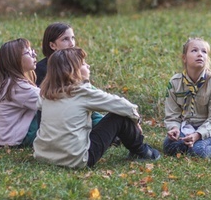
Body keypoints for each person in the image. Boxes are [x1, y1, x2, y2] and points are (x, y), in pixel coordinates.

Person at [33, 48, 161, 168]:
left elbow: (40, 108)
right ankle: (142, 151)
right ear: (72, 71)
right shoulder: (82, 92)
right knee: (118, 116)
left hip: (42, 155)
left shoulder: (45, 94)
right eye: (83, 64)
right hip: (76, 159)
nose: (88, 66)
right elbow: (125, 106)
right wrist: (136, 120)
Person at [35, 22, 104, 126]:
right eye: (65, 39)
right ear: (52, 45)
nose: (72, 43)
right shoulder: (44, 69)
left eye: (73, 38)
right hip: (61, 118)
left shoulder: (72, 64)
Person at [0, 38, 40, 148]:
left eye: (32, 51)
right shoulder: (18, 87)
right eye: (28, 53)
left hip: (3, 138)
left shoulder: (5, 82)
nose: (34, 54)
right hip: (17, 139)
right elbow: (51, 101)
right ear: (15, 60)